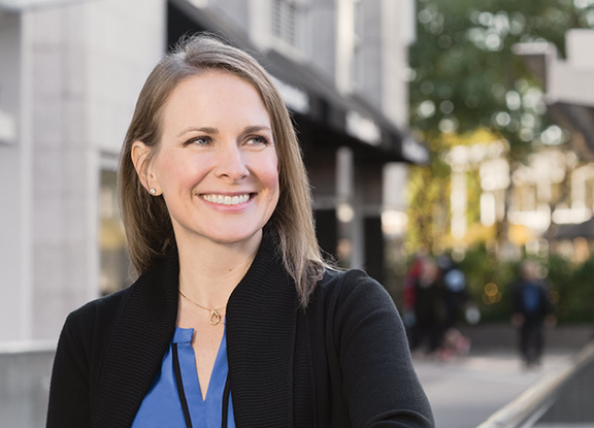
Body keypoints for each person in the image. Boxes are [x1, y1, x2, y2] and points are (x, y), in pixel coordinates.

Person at [45, 35, 434, 428]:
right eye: (201, 140)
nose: (234, 167)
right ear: (148, 169)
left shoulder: (348, 311)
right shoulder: (92, 337)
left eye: (255, 139)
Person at [511, 260, 555, 368]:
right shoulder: (518, 286)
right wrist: (516, 314)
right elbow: (514, 301)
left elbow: (548, 300)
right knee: (524, 337)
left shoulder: (542, 285)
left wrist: (549, 314)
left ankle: (537, 357)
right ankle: (526, 358)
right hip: (524, 315)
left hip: (538, 315)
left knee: (539, 336)